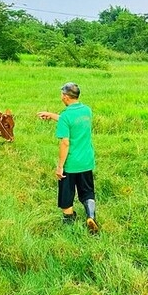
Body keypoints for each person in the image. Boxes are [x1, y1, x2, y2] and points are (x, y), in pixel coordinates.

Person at [37, 82, 98, 233]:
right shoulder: (87, 111)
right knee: (87, 191)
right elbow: (72, 121)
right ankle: (90, 216)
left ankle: (69, 223)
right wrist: (52, 116)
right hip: (86, 160)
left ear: (65, 97)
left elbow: (65, 143)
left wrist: (60, 166)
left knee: (67, 193)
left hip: (71, 164)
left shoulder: (66, 116)